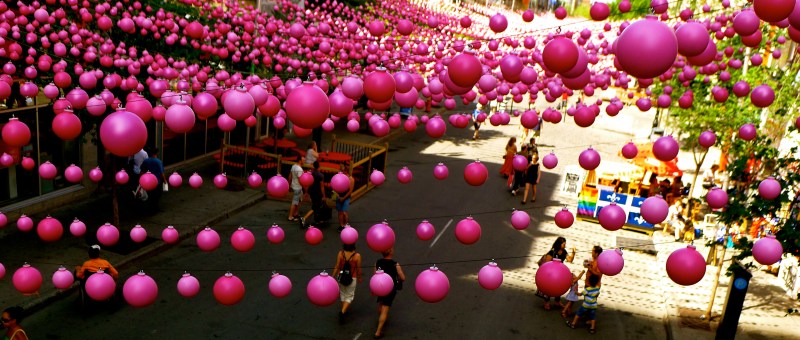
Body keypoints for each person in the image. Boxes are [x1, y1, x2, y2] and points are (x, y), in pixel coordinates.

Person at [374, 248, 406, 339]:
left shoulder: (377, 262)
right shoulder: (395, 264)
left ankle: (381, 318)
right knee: (385, 308)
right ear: (391, 252)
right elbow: (403, 278)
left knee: (380, 303)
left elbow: (375, 275)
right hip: (390, 289)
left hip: (380, 286)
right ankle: (378, 332)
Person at [542, 237, 575, 310]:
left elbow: (570, 260)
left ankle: (557, 301)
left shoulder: (564, 252)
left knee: (559, 286)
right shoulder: (552, 252)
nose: (565, 245)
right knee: (549, 288)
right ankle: (546, 302)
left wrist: (573, 253)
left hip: (559, 274)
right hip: (551, 274)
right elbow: (547, 264)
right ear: (559, 244)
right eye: (564, 244)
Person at [332, 243, 362, 323]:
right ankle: (342, 312)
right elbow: (358, 269)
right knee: (349, 295)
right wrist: (360, 278)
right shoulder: (357, 256)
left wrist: (332, 276)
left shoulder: (341, 253)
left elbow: (337, 266)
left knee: (342, 293)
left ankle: (343, 310)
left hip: (341, 277)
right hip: (352, 278)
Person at [301, 161, 326, 228]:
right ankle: (304, 218)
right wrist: (324, 196)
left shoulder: (310, 174)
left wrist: (306, 192)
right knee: (315, 207)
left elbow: (307, 184)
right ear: (319, 166)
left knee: (316, 206)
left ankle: (317, 220)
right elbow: (322, 187)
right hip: (318, 193)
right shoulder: (320, 175)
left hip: (312, 192)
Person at [336, 163, 355, 232]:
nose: (340, 170)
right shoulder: (338, 177)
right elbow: (335, 186)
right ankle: (341, 225)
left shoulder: (351, 179)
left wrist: (343, 198)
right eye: (340, 169)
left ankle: (346, 225)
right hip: (339, 196)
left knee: (344, 212)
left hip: (346, 197)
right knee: (340, 212)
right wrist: (337, 195)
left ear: (345, 170)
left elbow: (350, 191)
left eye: (342, 169)